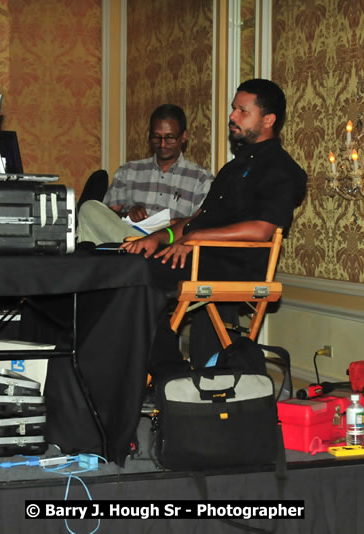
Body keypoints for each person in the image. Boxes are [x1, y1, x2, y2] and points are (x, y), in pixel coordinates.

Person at [122, 79, 308, 374]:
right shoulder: (234, 167)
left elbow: (261, 230)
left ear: (268, 120)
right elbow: (198, 219)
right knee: (123, 264)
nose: (232, 116)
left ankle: (165, 374)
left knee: (134, 275)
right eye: (234, 109)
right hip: (202, 256)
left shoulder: (282, 170)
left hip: (233, 264)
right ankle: (152, 370)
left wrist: (195, 238)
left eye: (242, 111)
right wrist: (160, 237)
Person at [77, 104, 213, 244]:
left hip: (168, 245)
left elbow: (203, 223)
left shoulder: (201, 179)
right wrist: (127, 215)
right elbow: (107, 216)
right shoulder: (128, 171)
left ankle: (144, 244)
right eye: (156, 137)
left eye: (170, 138)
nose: (162, 144)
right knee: (89, 207)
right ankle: (138, 243)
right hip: (127, 238)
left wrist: (175, 224)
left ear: (183, 137)